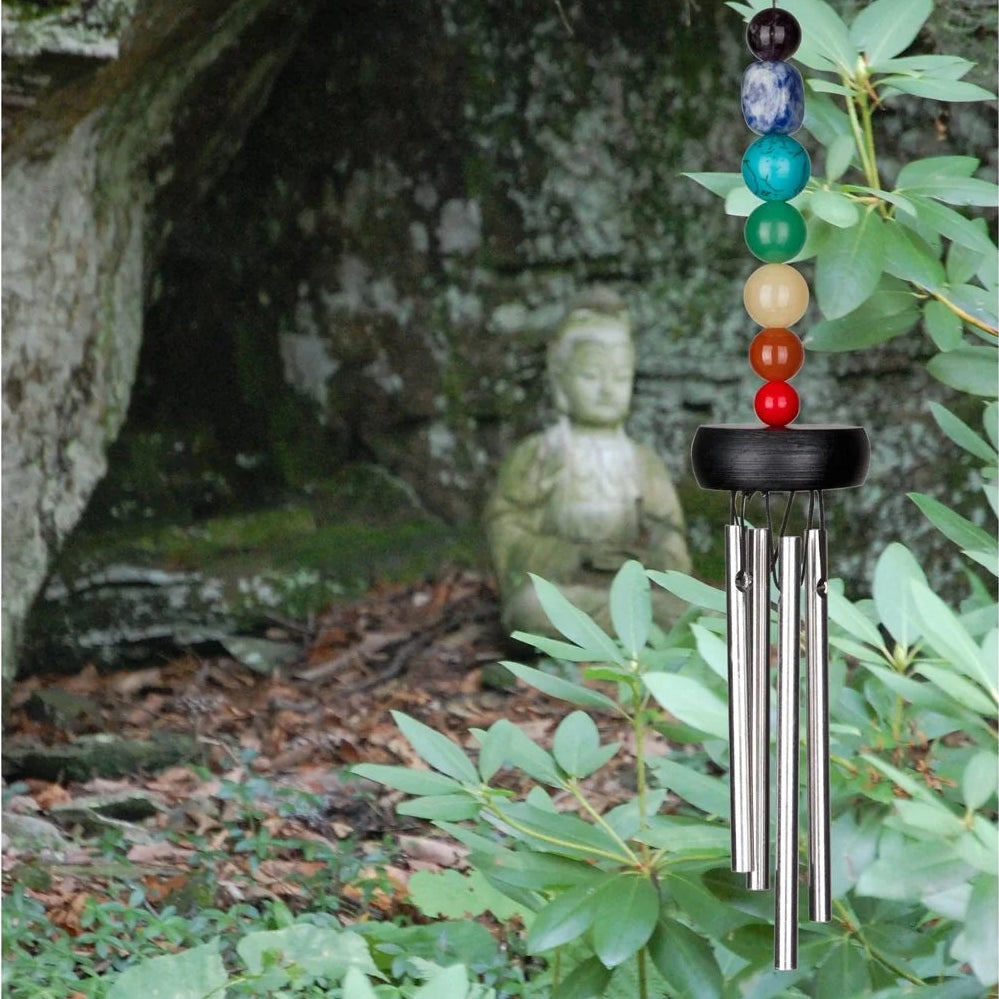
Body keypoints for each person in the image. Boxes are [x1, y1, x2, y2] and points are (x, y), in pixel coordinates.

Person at [485, 289, 691, 637]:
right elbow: (504, 526)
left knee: (696, 610)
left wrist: (651, 557)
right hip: (567, 592)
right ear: (560, 380)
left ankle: (616, 634)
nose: (607, 390)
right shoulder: (540, 453)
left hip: (633, 592)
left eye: (620, 377)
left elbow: (672, 540)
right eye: (592, 376)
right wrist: (567, 556)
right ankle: (630, 637)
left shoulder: (644, 463)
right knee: (529, 609)